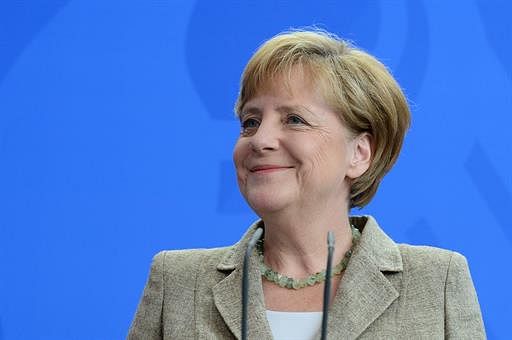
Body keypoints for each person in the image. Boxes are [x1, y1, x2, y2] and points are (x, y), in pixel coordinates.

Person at [128, 29, 485, 339]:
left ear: (359, 153)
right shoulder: (177, 283)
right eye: (250, 122)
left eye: (294, 119)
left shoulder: (436, 282)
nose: (260, 140)